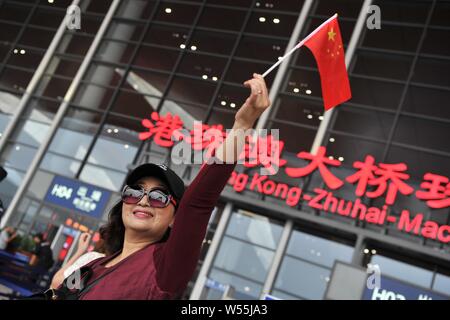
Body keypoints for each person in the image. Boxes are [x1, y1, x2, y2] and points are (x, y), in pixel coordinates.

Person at [56, 73, 271, 300]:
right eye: (134, 192)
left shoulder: (165, 268)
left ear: (174, 220)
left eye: (160, 197)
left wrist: (242, 125)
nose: (144, 199)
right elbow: (57, 292)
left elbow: (198, 203)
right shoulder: (93, 265)